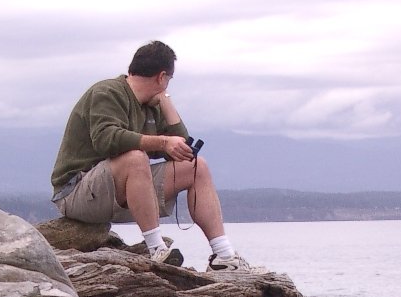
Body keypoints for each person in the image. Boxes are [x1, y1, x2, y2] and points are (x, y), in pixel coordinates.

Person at [51, 40, 260, 272]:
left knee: (196, 166)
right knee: (136, 158)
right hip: (75, 191)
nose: (168, 87)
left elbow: (181, 151)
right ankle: (156, 249)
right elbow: (106, 139)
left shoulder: (152, 106)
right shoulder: (107, 92)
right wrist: (162, 141)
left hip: (118, 192)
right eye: (168, 81)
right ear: (162, 77)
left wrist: (166, 104)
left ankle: (223, 255)